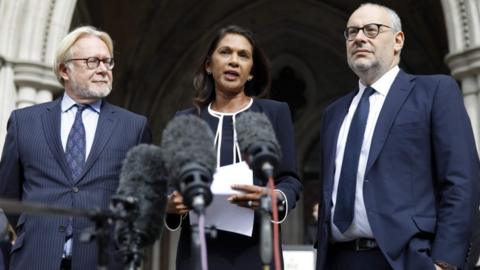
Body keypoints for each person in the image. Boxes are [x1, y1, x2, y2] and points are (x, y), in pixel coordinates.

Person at [316, 3, 480, 270]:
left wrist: (446, 262)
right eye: (352, 32)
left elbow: (462, 180)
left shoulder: (434, 92)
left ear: (398, 40)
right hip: (339, 259)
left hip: (409, 259)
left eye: (371, 30)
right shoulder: (333, 114)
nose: (359, 37)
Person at [0, 26, 151, 270]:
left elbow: (143, 198)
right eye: (93, 61)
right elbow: (8, 192)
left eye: (107, 62)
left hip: (103, 260)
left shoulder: (133, 126)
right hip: (35, 258)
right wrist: (37, 230)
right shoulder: (24, 122)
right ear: (64, 70)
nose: (103, 69)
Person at [165, 25, 303, 269]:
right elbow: (169, 185)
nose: (233, 61)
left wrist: (274, 197)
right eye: (225, 52)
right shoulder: (185, 120)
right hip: (197, 251)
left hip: (257, 251)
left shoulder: (275, 113)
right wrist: (171, 204)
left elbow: (289, 179)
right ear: (209, 65)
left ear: (251, 72)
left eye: (243, 55)